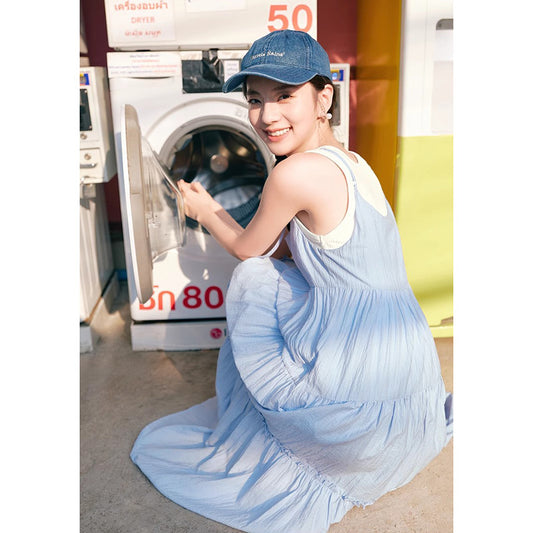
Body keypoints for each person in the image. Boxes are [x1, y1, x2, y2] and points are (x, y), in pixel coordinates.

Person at [130, 30, 453, 533]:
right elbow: (302, 248)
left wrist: (205, 208)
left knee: (255, 278)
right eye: (255, 99)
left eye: (285, 95)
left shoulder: (292, 174)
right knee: (275, 271)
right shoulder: (354, 162)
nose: (267, 116)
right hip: (402, 355)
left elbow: (249, 249)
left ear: (324, 98)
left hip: (352, 362)